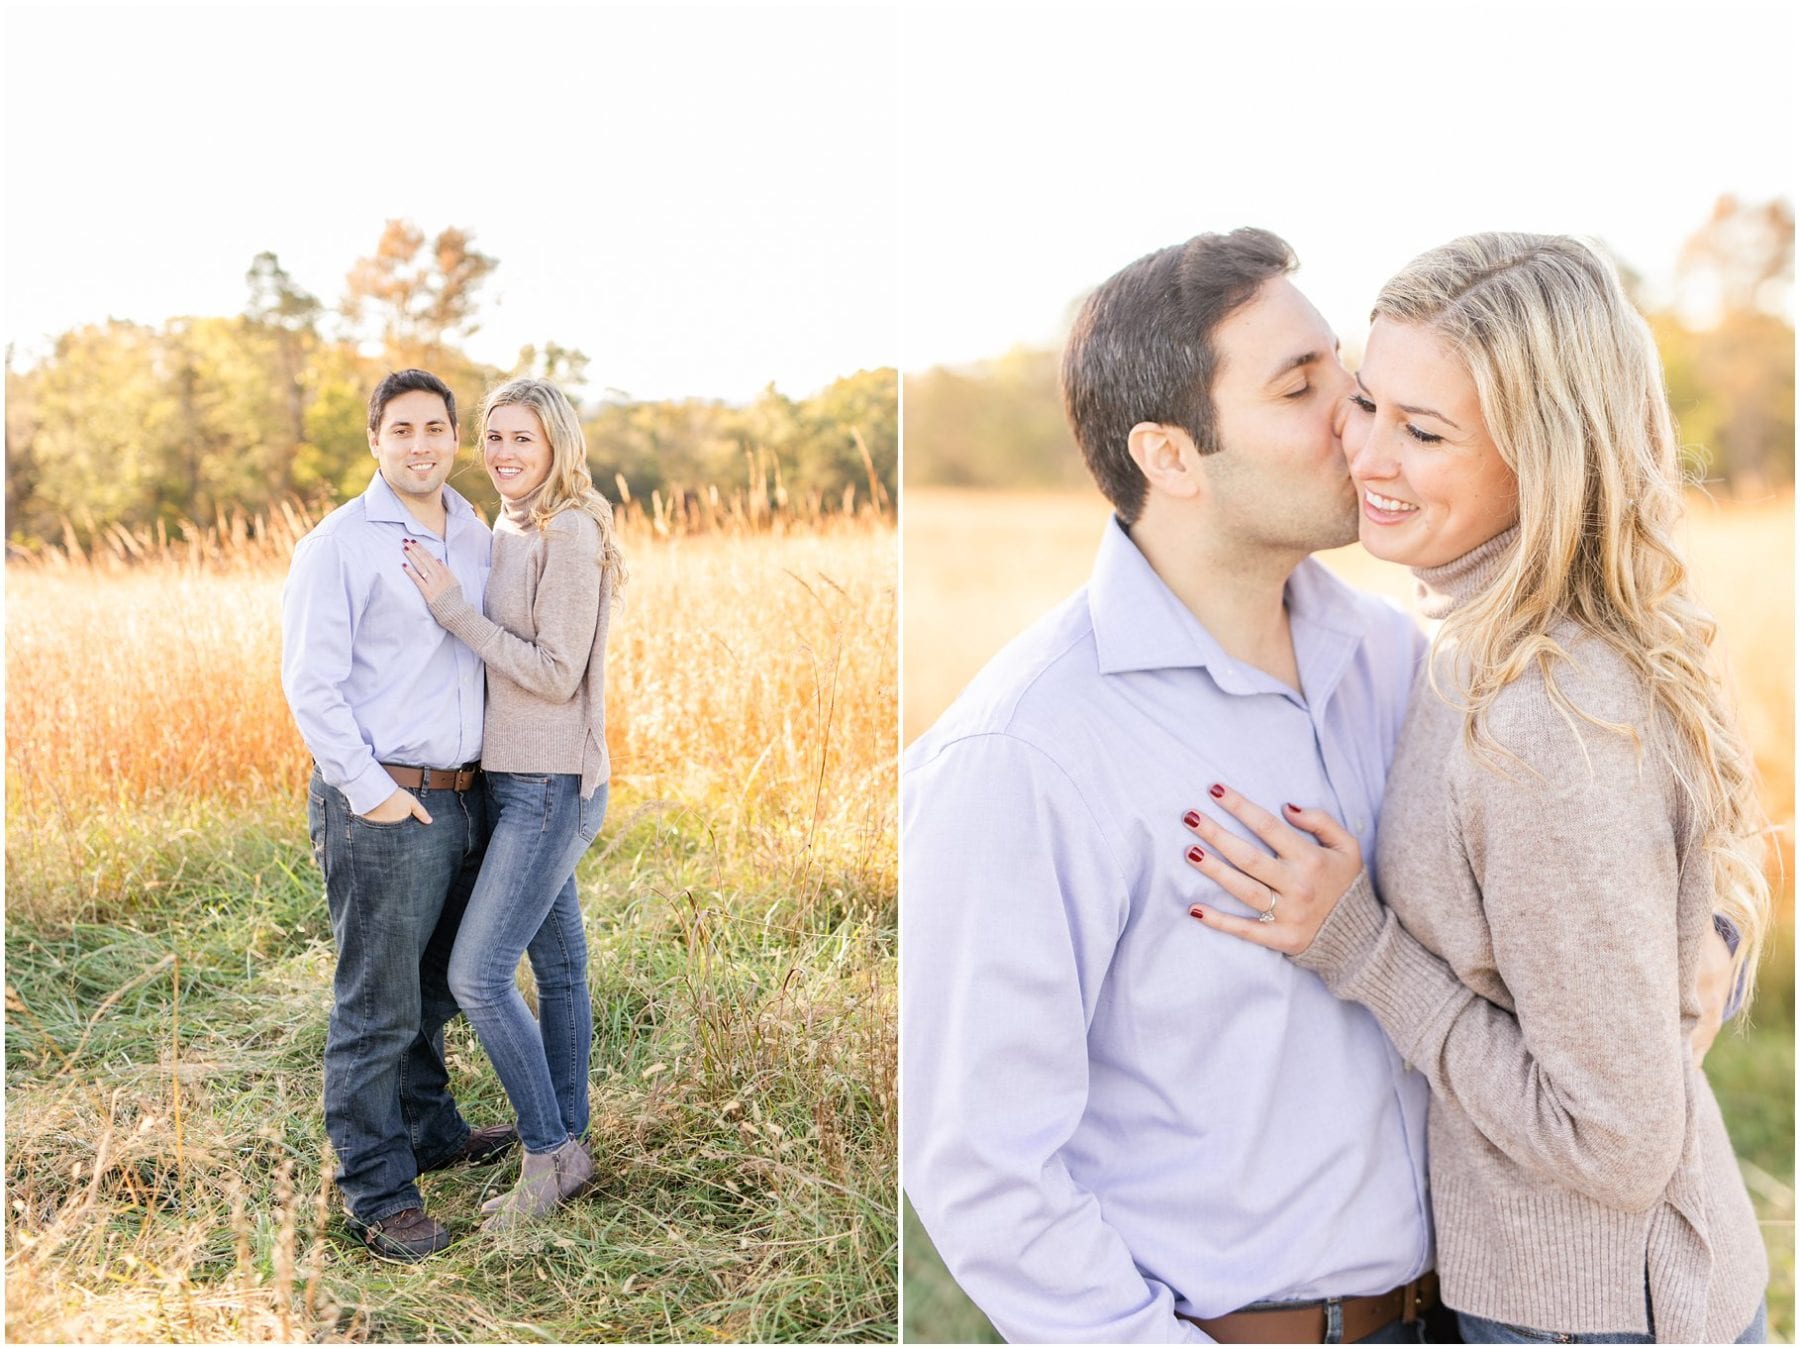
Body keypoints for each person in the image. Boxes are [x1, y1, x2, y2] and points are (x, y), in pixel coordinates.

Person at [1183, 233, 1770, 1344]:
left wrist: (1363, 948)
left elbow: (1619, 1140)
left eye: (1426, 431)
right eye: (1366, 401)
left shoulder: (1545, 713)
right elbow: (1704, 880)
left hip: (1588, 1315)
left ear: (1541, 458)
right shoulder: (1503, 640)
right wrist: (1715, 937)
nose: (1364, 454)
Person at [281, 368, 518, 1263]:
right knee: (376, 1005)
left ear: (455, 438)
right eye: (401, 429)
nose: (420, 444)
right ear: (376, 440)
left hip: (465, 796)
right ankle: (379, 1191)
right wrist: (372, 789)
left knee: (439, 985)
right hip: (384, 801)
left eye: (436, 428)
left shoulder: (475, 531)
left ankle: (432, 1131)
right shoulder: (341, 543)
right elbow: (312, 681)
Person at [400, 376, 622, 1231]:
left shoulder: (567, 531)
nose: (502, 454)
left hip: (550, 787)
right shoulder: (513, 524)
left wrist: (452, 610)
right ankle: (573, 1144)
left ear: (556, 444)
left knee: (477, 974)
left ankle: (545, 1153)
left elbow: (558, 670)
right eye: (492, 437)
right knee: (560, 969)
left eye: (520, 439)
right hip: (517, 781)